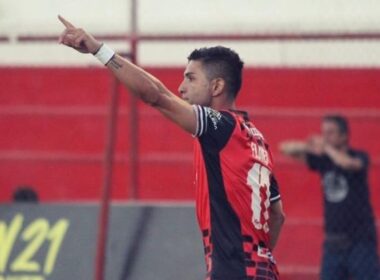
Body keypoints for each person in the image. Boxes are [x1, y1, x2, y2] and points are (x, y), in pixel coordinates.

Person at [58, 15, 285, 280]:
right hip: (263, 271)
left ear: (217, 86)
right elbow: (277, 215)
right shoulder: (257, 140)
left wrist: (99, 50)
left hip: (232, 271)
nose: (181, 88)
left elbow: (157, 95)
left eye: (190, 78)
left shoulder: (219, 127)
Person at [280, 115, 380, 280]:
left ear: (344, 136)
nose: (326, 137)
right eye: (324, 133)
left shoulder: (359, 156)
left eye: (331, 133)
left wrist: (326, 148)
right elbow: (285, 148)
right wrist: (309, 146)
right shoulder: (324, 161)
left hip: (360, 242)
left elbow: (347, 163)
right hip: (334, 243)